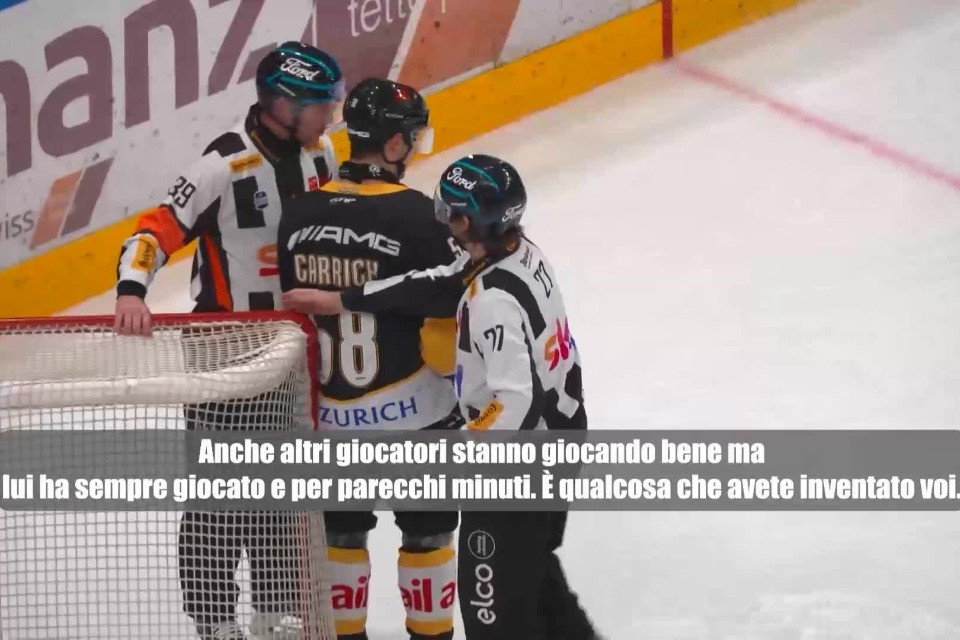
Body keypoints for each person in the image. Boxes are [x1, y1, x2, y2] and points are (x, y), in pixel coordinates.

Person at [282, 154, 602, 640]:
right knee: (537, 577)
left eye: (450, 210)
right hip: (560, 443)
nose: (442, 217)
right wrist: (344, 300)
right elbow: (439, 282)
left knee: (492, 611)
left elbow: (516, 402)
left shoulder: (492, 301)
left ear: (469, 222)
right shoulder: (521, 254)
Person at [113, 41, 345, 640]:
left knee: (279, 489)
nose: (331, 114)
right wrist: (132, 291)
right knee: (219, 497)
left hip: (291, 347)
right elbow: (153, 232)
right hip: (222, 350)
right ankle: (215, 621)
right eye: (322, 104)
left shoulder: (321, 152)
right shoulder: (220, 165)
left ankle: (274, 609)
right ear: (283, 106)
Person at [278, 77, 464, 640]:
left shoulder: (297, 214)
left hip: (333, 419)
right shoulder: (423, 217)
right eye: (412, 137)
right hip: (417, 413)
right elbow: (455, 299)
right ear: (393, 144)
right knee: (428, 535)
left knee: (340, 536)